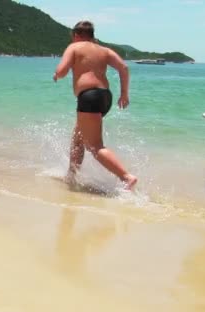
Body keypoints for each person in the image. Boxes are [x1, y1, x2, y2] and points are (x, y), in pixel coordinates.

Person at [53, 20, 137, 190]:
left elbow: (61, 71)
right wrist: (124, 94)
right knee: (78, 137)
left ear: (76, 35)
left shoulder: (74, 47)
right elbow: (124, 68)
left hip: (89, 97)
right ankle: (72, 176)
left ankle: (126, 177)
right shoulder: (104, 50)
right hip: (105, 96)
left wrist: (57, 74)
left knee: (95, 146)